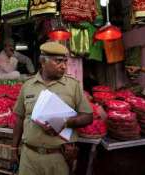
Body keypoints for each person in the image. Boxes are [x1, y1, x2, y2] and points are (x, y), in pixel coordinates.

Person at [12, 41, 93, 175]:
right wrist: (13, 148)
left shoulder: (72, 86)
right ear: (43, 62)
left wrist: (66, 122)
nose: (64, 66)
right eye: (58, 61)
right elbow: (19, 118)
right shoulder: (27, 85)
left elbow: (88, 117)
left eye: (65, 61)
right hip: (29, 157)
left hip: (58, 157)